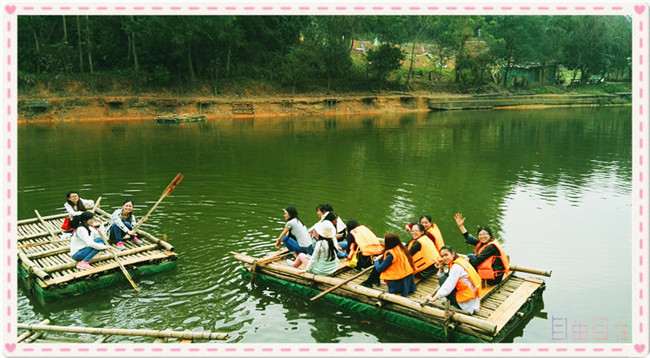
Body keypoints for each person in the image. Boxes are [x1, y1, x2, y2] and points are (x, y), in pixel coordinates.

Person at [454, 213, 510, 285]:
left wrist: (466, 261)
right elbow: (468, 237)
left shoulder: (491, 247)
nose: (482, 236)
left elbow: (476, 261)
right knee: (470, 256)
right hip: (491, 273)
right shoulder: (483, 243)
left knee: (467, 263)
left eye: (485, 234)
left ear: (490, 235)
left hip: (493, 278)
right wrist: (460, 226)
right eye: (480, 235)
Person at [424, 245, 481, 314]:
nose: (444, 258)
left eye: (446, 255)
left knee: (442, 280)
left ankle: (456, 305)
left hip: (466, 300)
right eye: (442, 256)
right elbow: (447, 274)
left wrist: (433, 298)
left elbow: (448, 286)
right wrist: (441, 268)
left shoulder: (456, 267)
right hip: (473, 297)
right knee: (444, 277)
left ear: (453, 254)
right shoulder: (460, 260)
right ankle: (456, 302)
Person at [372, 232, 416, 297]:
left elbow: (379, 269)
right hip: (407, 275)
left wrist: (376, 260)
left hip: (398, 279)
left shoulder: (391, 254)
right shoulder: (402, 248)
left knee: (378, 266)